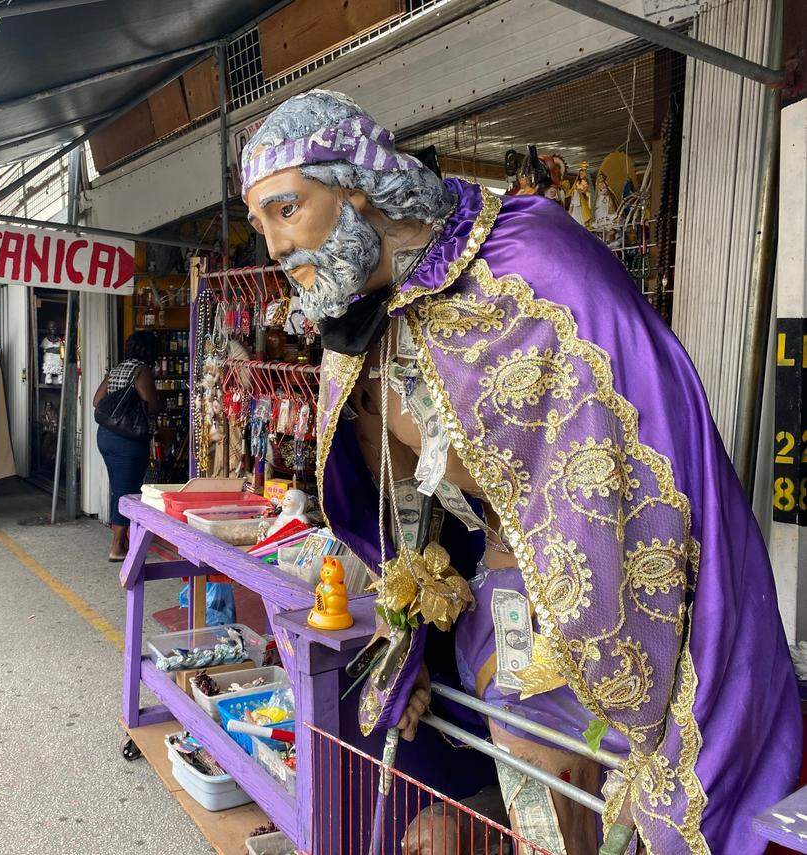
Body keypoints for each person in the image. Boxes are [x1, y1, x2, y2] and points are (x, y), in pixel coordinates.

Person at [240, 90, 798, 854]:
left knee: (608, 801)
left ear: (355, 189)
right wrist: (407, 637)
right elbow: (397, 514)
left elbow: (643, 438)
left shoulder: (531, 256)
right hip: (499, 607)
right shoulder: (358, 326)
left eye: (284, 209)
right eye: (261, 222)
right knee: (541, 793)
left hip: (630, 605)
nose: (273, 246)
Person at [93, 332, 159, 561]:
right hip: (128, 440)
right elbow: (151, 405)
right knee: (127, 491)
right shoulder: (142, 371)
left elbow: (96, 400)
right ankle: (117, 546)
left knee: (118, 488)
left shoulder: (116, 369)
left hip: (106, 436)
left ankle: (123, 539)